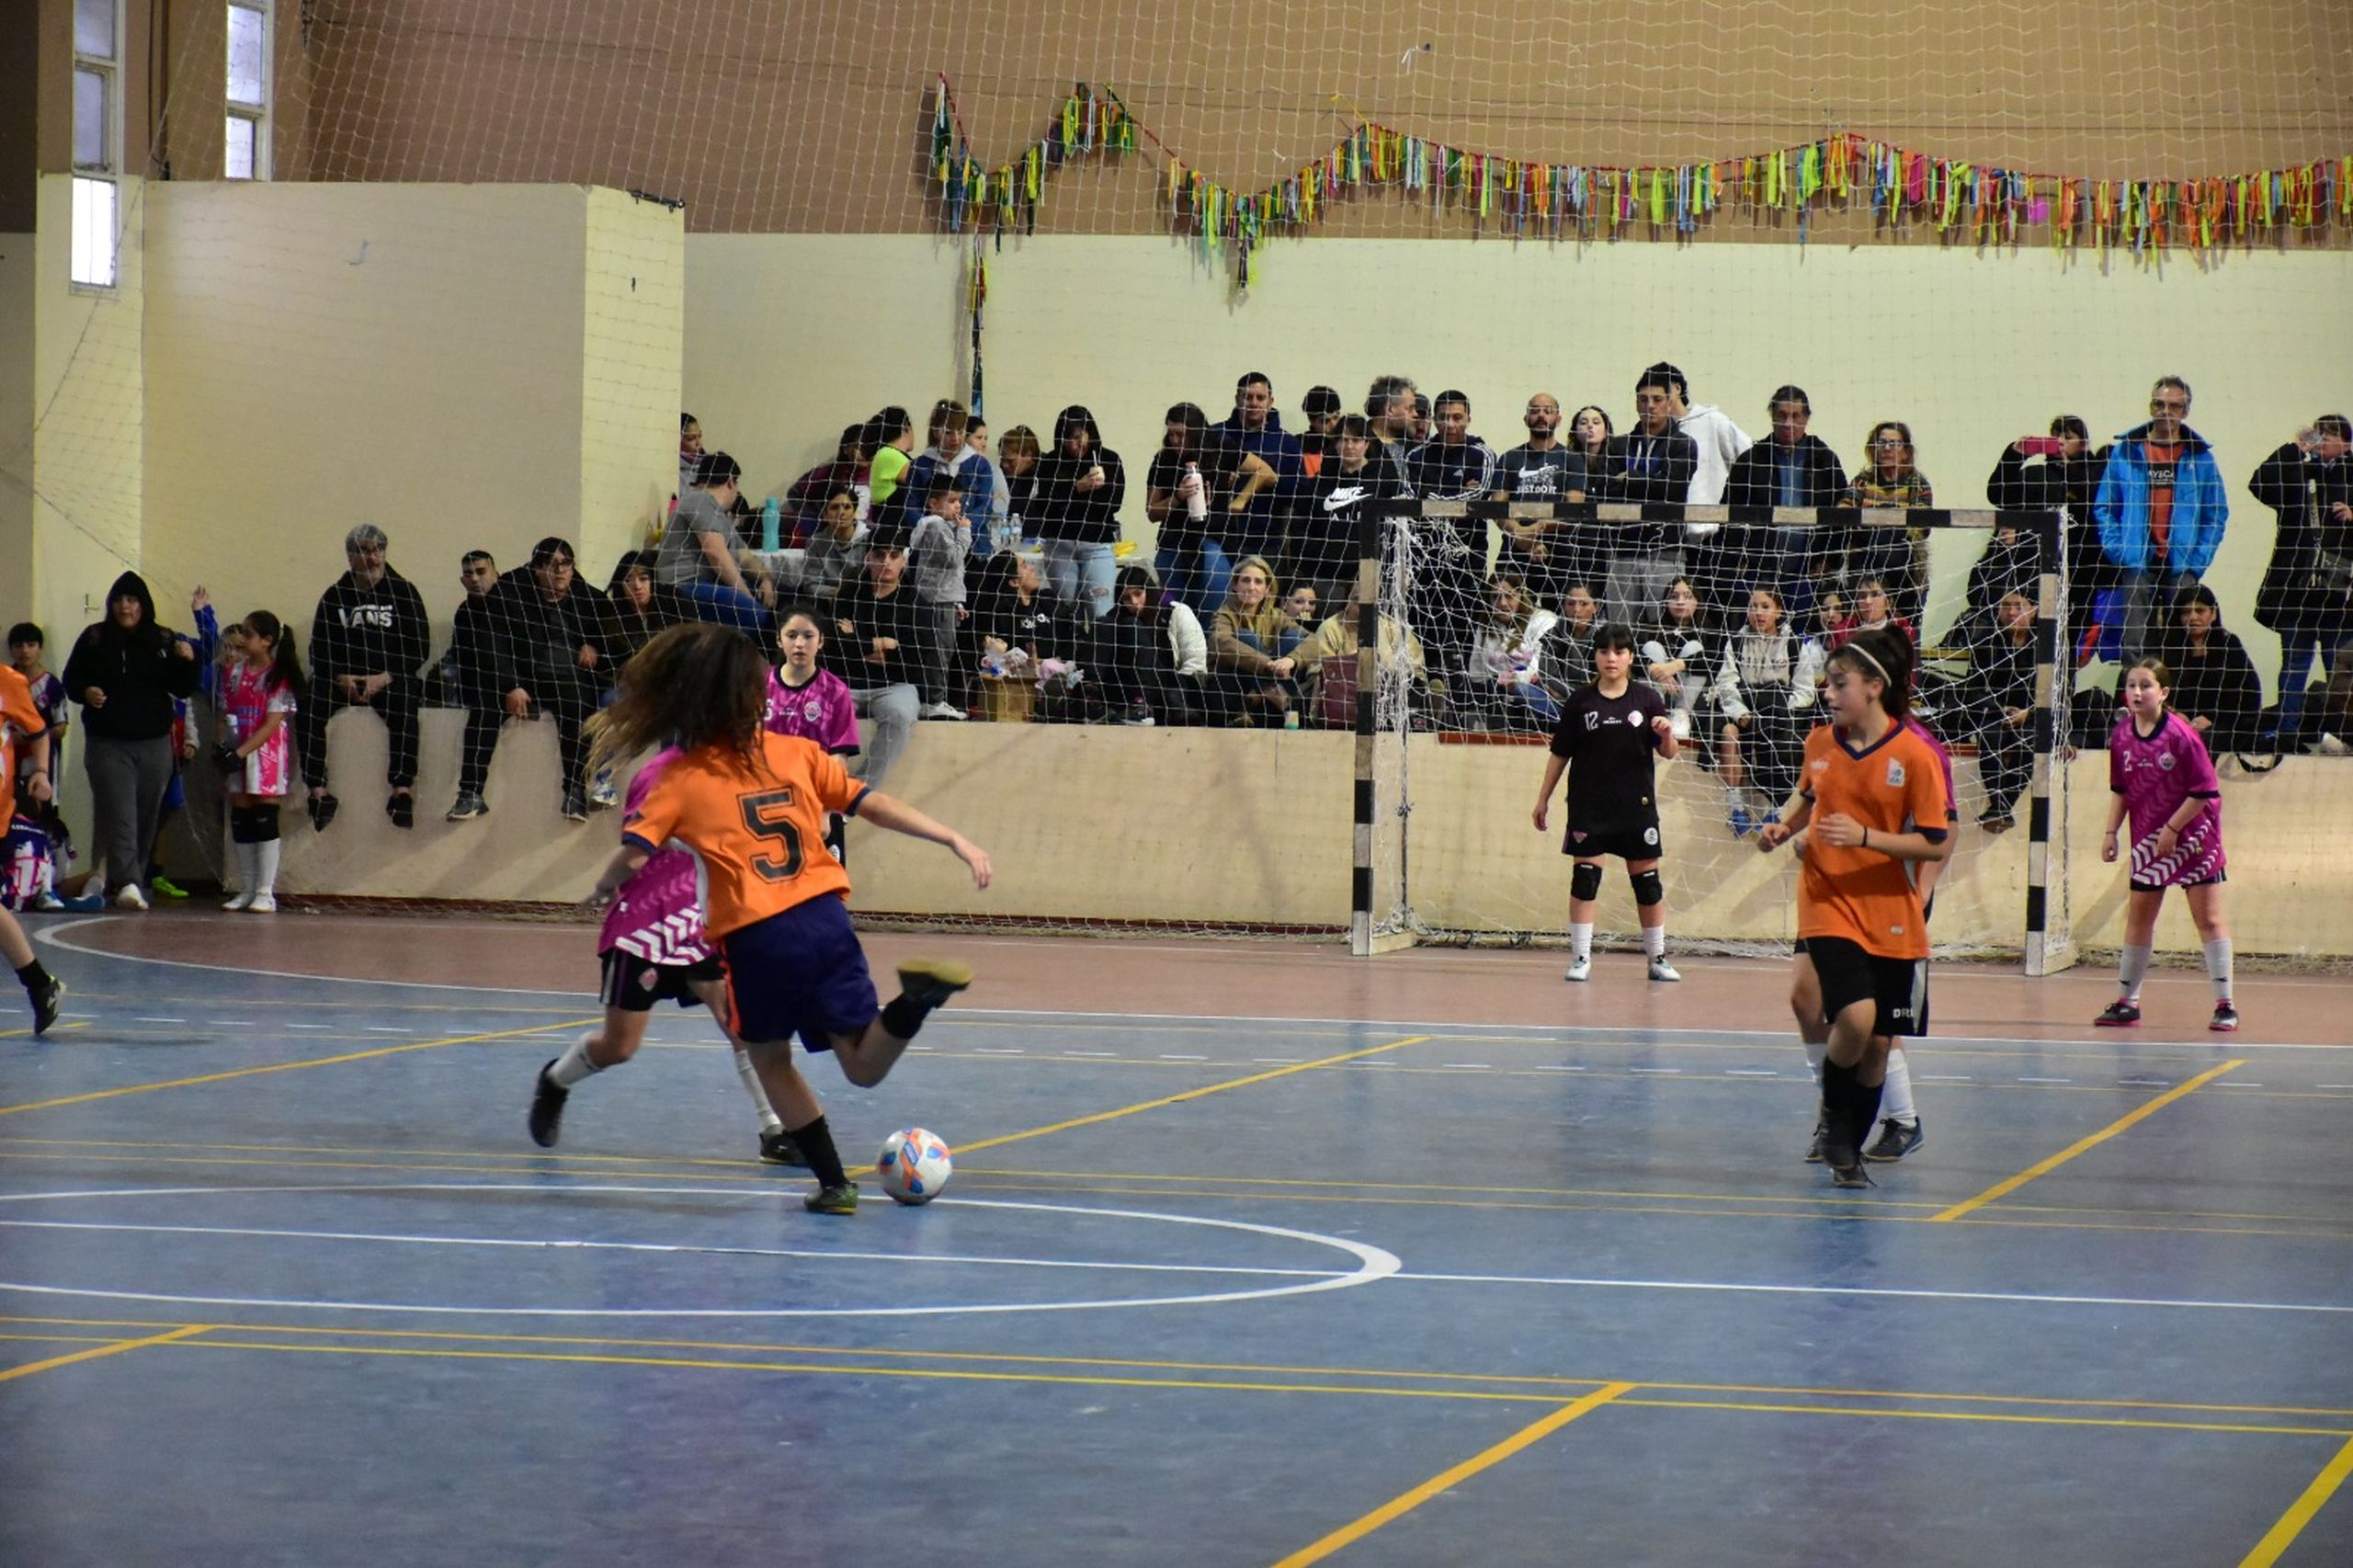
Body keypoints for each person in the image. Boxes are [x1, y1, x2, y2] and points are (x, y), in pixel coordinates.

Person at [567, 623, 994, 1214]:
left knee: (768, 1056)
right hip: (827, 920)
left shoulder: (678, 778)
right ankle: (915, 1002)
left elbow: (636, 852)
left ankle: (834, 1184)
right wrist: (952, 838)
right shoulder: (796, 753)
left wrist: (603, 885)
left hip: (757, 937)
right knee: (862, 1063)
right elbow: (871, 803)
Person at [535, 734, 801, 1169]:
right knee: (620, 1046)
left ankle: (773, 1129)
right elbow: (636, 854)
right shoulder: (658, 775)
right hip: (645, 925)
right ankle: (555, 1080)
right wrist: (605, 886)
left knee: (742, 1027)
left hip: (701, 923)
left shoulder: (733, 770)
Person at [1756, 628, 1952, 1187]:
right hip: (1827, 899)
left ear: (1873, 687)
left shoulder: (1916, 755)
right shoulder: (1820, 743)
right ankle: (1833, 1120)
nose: (1829, 693)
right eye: (1826, 684)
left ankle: (1847, 1143)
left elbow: (1937, 839)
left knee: (1877, 1048)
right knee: (1853, 1015)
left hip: (1890, 906)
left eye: (1839, 684)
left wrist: (1867, 837)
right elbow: (1809, 795)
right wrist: (1782, 826)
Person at [1529, 620, 1683, 984]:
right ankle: (1581, 957)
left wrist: (1666, 734)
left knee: (1647, 883)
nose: (1611, 658)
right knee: (1585, 880)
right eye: (1604, 651)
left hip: (1636, 806)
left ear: (1630, 657)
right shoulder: (1581, 701)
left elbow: (1669, 753)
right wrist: (1543, 800)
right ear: (1595, 656)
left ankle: (1657, 958)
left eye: (1619, 651)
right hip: (1589, 805)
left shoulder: (1647, 699)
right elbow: (1560, 754)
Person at [2097, 655, 2237, 1032]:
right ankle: (2128, 1000)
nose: (2137, 692)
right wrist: (2111, 833)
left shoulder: (2181, 735)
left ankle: (2225, 1005)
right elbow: (2120, 790)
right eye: (2131, 685)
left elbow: (2204, 791)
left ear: (2164, 692)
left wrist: (2173, 829)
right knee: (2140, 917)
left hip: (2193, 835)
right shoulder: (2122, 735)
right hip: (2148, 840)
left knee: (2207, 918)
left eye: (2146, 685)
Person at [63, 572, 200, 908]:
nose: (125, 607)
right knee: (121, 812)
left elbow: (181, 688)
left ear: (143, 605)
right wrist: (86, 691)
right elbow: (71, 679)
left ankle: (132, 880)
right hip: (108, 743)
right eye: (119, 600)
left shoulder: (164, 640)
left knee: (147, 815)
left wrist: (188, 663)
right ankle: (128, 882)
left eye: (132, 600)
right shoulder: (94, 638)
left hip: (154, 744)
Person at [301, 524, 429, 830]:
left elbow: (419, 647)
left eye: (377, 550)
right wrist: (340, 677)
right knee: (308, 704)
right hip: (342, 679)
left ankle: (401, 791)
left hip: (387, 678)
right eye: (363, 551)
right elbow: (318, 648)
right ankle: (318, 792)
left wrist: (384, 677)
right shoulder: (334, 597)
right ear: (350, 556)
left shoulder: (404, 592)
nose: (372, 558)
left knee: (406, 702)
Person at [2095, 377, 2230, 662]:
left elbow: (2215, 513)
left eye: (2174, 405)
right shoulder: (2127, 451)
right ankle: (2133, 703)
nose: (2166, 411)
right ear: (2151, 406)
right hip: (2136, 561)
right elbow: (2105, 505)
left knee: (2181, 640)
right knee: (2134, 641)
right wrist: (2118, 550)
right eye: (2159, 404)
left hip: (2182, 563)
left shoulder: (2201, 458)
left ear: (2185, 410)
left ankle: (2177, 702)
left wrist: (2198, 560)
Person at [2248, 415, 2353, 749]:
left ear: (2348, 443)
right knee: (2294, 664)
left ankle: (2341, 735)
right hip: (2298, 591)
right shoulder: (2299, 472)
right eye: (2319, 435)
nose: (2324, 441)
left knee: (2339, 670)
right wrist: (2296, 448)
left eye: (2332, 435)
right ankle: (2287, 736)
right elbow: (2259, 484)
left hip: (2341, 596)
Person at [494, 538, 608, 821]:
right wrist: (511, 685)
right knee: (483, 710)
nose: (559, 571)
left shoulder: (589, 600)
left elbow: (609, 637)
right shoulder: (514, 598)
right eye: (551, 564)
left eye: (565, 564)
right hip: (528, 678)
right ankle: (471, 792)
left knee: (580, 711)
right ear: (535, 569)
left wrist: (593, 645)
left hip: (569, 679)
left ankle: (575, 793)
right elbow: (499, 647)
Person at [1985, 414, 2111, 652]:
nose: (2059, 441)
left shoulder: (2097, 474)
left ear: (2083, 443)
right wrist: (2014, 454)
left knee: (2068, 644)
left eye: (2068, 436)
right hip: (2036, 573)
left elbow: (2095, 500)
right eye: (2054, 436)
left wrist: (2069, 470)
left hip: (2081, 574)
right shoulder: (2037, 476)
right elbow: (1997, 494)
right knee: (2033, 645)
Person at [1722, 385, 1849, 618]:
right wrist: (1738, 559)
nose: (1788, 423)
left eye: (1795, 416)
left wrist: (1830, 559)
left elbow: (1842, 515)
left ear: (1806, 418)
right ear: (1772, 417)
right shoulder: (1751, 461)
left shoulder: (1825, 461)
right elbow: (1728, 515)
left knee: (1802, 637)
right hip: (1758, 570)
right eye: (1782, 415)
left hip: (1808, 571)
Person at [1144, 402, 1275, 616]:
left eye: (1181, 435)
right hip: (1174, 540)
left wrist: (1241, 500)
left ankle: (1211, 647)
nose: (1175, 441)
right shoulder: (1163, 459)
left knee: (1212, 613)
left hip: (1214, 539)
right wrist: (1178, 497)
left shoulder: (1220, 447)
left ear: (1196, 433)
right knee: (1172, 612)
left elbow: (1266, 472)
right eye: (1171, 434)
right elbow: (1152, 512)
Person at [1710, 586, 1820, 837]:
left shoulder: (1793, 644)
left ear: (1778, 611)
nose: (1758, 612)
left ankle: (1776, 809)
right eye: (1753, 606)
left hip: (1780, 716)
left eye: (1765, 606)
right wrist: (1741, 713)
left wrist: (1777, 709)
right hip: (1747, 713)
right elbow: (1725, 684)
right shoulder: (1736, 642)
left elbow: (1806, 691)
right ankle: (1736, 807)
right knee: (1728, 733)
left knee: (1788, 743)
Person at [823, 528, 926, 790]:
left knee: (900, 716)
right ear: (868, 558)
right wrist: (879, 644)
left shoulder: (917, 603)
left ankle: (858, 791)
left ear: (904, 559)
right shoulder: (847, 596)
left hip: (895, 686)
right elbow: (832, 649)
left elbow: (916, 659)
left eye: (893, 555)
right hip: (847, 682)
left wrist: (856, 642)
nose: (886, 562)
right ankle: (827, 785)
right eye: (880, 555)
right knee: (819, 710)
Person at [765, 605, 861, 868]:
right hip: (767, 804)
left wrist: (827, 811)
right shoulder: (758, 689)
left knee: (825, 895)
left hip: (817, 803)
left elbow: (838, 760)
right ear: (779, 639)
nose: (799, 643)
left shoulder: (835, 692)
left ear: (820, 641)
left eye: (808, 636)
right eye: (791, 635)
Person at [217, 610, 301, 912]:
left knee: (264, 818)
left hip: (266, 756)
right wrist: (225, 748)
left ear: (266, 641)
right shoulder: (236, 671)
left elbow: (271, 723)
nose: (242, 639)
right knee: (241, 818)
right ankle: (247, 887)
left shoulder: (278, 676)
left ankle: (266, 891)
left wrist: (241, 753)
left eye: (249, 634)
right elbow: (226, 710)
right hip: (238, 749)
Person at [1599, 371, 1699, 625]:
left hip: (1665, 550)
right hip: (1622, 550)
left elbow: (1672, 490)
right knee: (1620, 630)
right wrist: (1652, 482)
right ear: (1636, 403)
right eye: (1643, 399)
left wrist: (1630, 477)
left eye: (1656, 399)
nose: (1650, 405)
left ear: (1669, 402)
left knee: (1665, 627)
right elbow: (1605, 489)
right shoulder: (1617, 446)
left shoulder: (1684, 445)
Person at [0, 661, 64, 1033]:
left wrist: (39, 774)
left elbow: (38, 731)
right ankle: (40, 984)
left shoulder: (9, 682)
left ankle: (40, 984)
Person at [1295, 413, 1410, 608]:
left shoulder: (1385, 482)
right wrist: (1312, 562)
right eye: (1343, 440)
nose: (1349, 446)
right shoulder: (1320, 483)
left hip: (1369, 574)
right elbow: (1302, 525)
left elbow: (1396, 531)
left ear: (1367, 444)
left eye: (1356, 440)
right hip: (1327, 575)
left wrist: (1393, 567)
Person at [657, 452, 775, 634]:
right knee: (757, 615)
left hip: (711, 585)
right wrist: (747, 597)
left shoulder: (721, 516)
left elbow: (745, 557)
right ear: (730, 482)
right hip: (684, 587)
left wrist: (766, 579)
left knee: (785, 597)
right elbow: (715, 553)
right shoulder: (698, 499)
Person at [1492, 392, 1591, 605]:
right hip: (1514, 553)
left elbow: (1573, 510)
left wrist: (1537, 530)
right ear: (1526, 418)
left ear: (1559, 418)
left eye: (1548, 411)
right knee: (1507, 614)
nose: (1541, 415)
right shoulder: (1510, 458)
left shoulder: (1572, 460)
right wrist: (1519, 534)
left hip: (1559, 556)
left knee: (1557, 621)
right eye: (1534, 411)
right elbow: (1497, 508)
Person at [1031, 406, 1126, 620]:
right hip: (1060, 545)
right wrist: (1078, 488)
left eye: (1078, 438)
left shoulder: (1109, 460)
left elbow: (1114, 503)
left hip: (1097, 545)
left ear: (1089, 433)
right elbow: (1044, 506)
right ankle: (1065, 653)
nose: (1074, 446)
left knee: (1100, 611)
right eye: (1067, 441)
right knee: (1065, 612)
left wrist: (1070, 498)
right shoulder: (1050, 463)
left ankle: (1099, 653)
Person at [2143, 582, 2261, 754]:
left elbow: (2250, 696)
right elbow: (2153, 693)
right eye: (2185, 612)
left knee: (2200, 742)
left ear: (2213, 614)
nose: (2192, 617)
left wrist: (2211, 719)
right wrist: (2173, 714)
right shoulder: (2167, 648)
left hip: (2221, 726)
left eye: (2200, 611)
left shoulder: (2229, 645)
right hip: (2175, 724)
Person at [1839, 422, 1935, 623]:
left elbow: (1921, 526)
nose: (1887, 448)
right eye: (1881, 443)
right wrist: (1888, 520)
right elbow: (1844, 512)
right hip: (1865, 566)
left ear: (1906, 451)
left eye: (1894, 443)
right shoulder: (1862, 481)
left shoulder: (1917, 483)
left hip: (1904, 570)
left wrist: (1875, 521)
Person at [1213, 371, 1306, 570]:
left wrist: (1272, 480)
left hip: (1266, 542)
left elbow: (1301, 494)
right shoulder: (1216, 436)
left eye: (1260, 398)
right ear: (1237, 399)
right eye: (1247, 397)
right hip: (1216, 538)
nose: (1253, 403)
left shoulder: (1287, 443)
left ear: (1270, 401)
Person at [1093, 563, 1204, 725]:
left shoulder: (1177, 612)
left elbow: (1196, 661)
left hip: (1173, 686)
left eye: (1138, 594)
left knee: (1132, 625)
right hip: (1127, 687)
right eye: (1126, 598)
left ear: (1149, 590)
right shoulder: (1115, 621)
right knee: (1104, 623)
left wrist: (1176, 688)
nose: (1134, 602)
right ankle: (1091, 700)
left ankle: (1145, 705)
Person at [1966, 589, 2039, 831]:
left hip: (2033, 717)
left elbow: (2060, 693)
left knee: (2030, 740)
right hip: (1996, 715)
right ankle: (2002, 809)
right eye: (2005, 606)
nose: (2011, 612)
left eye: (2018, 606)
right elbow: (1972, 690)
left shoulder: (2047, 646)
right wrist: (2000, 709)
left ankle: (2000, 808)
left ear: (2033, 610)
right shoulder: (1985, 642)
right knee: (1989, 734)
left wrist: (2028, 713)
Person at [905, 474, 974, 719]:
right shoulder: (936, 525)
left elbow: (948, 572)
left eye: (960, 501)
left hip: (945, 598)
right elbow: (954, 558)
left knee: (943, 650)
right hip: (936, 601)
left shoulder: (942, 525)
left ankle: (935, 699)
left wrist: (956, 600)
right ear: (933, 504)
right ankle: (934, 700)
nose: (958, 506)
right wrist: (964, 532)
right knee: (938, 652)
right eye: (952, 500)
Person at [1208, 556, 1307, 725]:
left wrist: (1290, 660)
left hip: (1260, 695)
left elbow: (1312, 641)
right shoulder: (1224, 614)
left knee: (1295, 638)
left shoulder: (1276, 616)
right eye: (1246, 580)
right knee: (1245, 637)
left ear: (1267, 589)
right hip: (1232, 688)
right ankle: (1289, 709)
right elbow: (1220, 641)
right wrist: (1266, 664)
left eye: (1258, 582)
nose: (1251, 587)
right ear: (1235, 585)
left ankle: (1260, 695)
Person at [447, 550, 506, 822]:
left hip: (512, 687)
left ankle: (470, 791)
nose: (475, 579)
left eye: (481, 572)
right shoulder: (464, 612)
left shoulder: (510, 607)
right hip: (478, 689)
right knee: (483, 707)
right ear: (462, 580)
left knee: (485, 710)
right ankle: (470, 794)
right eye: (469, 574)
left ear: (496, 574)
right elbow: (458, 654)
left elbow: (518, 653)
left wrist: (516, 686)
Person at [1459, 572, 1559, 732]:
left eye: (1509, 596)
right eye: (1496, 598)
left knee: (1520, 690)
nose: (1503, 603)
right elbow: (1476, 673)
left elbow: (1539, 666)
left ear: (1521, 594)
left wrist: (1513, 674)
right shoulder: (1485, 628)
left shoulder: (1543, 621)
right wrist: (1502, 674)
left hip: (1542, 693)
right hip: (1498, 692)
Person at [1646, 362, 1752, 505]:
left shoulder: (1713, 421)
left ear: (1677, 388)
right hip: (1670, 523)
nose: (1652, 402)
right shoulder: (1654, 433)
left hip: (1710, 522)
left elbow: (1749, 458)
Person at [1640, 576, 1708, 736]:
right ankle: (1654, 711)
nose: (1680, 601)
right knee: (1651, 647)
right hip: (1656, 690)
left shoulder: (1709, 630)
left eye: (1688, 596)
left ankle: (1681, 714)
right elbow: (1632, 659)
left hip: (1688, 695)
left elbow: (1714, 661)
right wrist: (1655, 668)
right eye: (1674, 596)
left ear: (1698, 601)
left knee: (1694, 647)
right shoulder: (1651, 629)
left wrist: (1677, 665)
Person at [864, 406, 917, 523]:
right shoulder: (888, 454)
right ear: (906, 428)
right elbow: (923, 482)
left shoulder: (891, 455)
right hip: (893, 532)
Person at [997, 425, 1041, 536]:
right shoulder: (999, 476)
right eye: (1002, 459)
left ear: (1028, 456)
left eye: (1010, 461)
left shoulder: (1042, 478)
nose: (1005, 465)